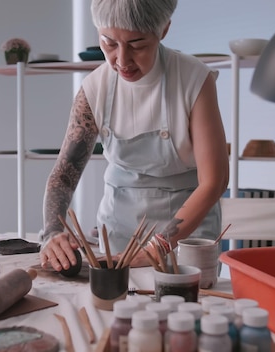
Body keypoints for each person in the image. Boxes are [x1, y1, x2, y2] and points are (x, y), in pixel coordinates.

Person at [39, 0, 229, 271]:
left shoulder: (194, 80)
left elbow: (215, 181)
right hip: (118, 232)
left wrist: (159, 246)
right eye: (109, 43)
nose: (122, 60)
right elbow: (63, 175)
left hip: (187, 235)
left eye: (138, 44)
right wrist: (52, 232)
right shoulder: (95, 89)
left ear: (163, 30)